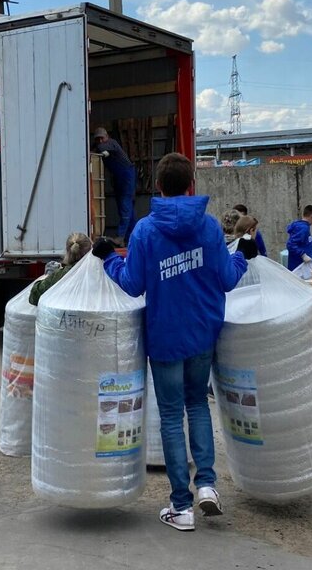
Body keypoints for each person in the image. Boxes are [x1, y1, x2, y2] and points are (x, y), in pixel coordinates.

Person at [93, 152, 254, 532]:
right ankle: (208, 486)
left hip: (164, 335)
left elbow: (132, 284)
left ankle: (180, 506)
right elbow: (228, 279)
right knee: (198, 403)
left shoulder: (146, 231)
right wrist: (243, 256)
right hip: (202, 333)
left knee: (170, 415)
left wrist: (106, 259)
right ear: (190, 185)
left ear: (160, 187)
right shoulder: (211, 228)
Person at [93, 127, 137, 244]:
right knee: (127, 209)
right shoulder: (105, 147)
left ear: (107, 137)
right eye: (98, 139)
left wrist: (91, 149)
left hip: (127, 175)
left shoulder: (112, 143)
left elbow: (101, 148)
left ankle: (120, 236)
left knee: (125, 204)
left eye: (102, 138)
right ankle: (131, 238)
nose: (100, 141)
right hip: (119, 177)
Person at [28, 232, 92, 306]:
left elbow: (34, 297)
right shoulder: (98, 273)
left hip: (67, 316)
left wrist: (49, 276)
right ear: (90, 250)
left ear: (68, 251)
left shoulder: (60, 275)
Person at [286, 204, 312, 271]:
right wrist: (303, 255)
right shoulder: (303, 228)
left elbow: (307, 241)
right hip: (299, 265)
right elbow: (290, 244)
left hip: (302, 265)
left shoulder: (302, 226)